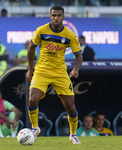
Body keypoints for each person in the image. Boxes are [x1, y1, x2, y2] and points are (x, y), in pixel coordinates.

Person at [26, 5, 83, 144]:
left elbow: (78, 55)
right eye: (53, 15)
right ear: (50, 16)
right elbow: (31, 48)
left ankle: (73, 134)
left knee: (71, 107)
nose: (56, 18)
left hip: (60, 73)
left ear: (63, 17)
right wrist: (30, 69)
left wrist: (76, 69)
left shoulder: (69, 35)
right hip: (42, 71)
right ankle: (35, 128)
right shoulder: (41, 30)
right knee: (32, 99)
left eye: (58, 15)